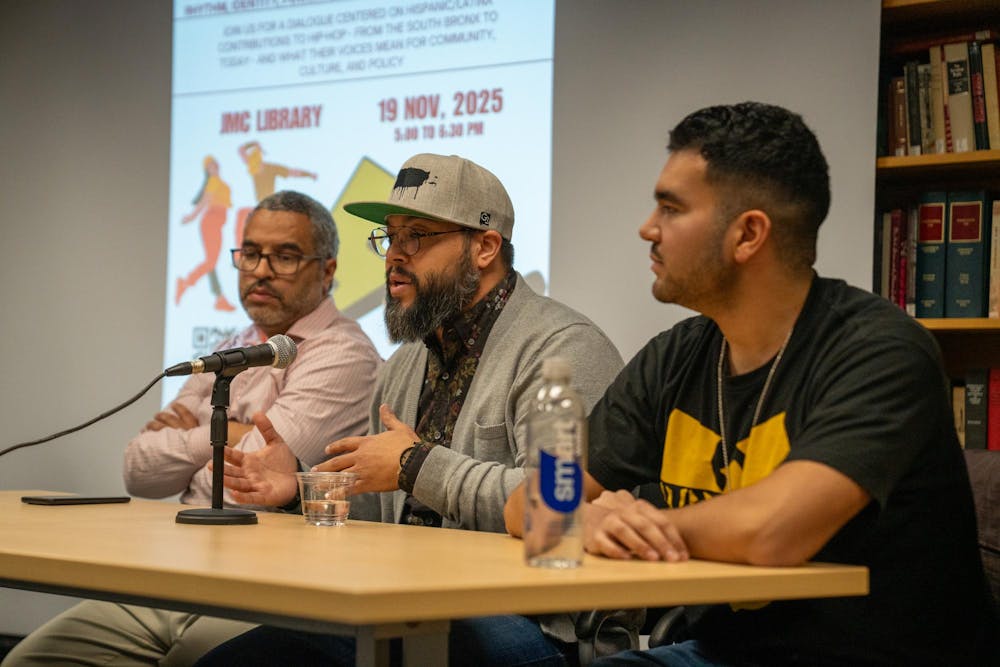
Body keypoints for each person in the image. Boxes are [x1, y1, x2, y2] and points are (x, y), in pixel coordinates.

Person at [503, 101, 997, 666]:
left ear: (748, 235)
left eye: (670, 207)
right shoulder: (676, 357)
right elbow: (527, 503)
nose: (648, 227)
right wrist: (586, 518)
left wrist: (636, 526)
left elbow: (773, 532)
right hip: (723, 652)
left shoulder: (881, 351)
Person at [194, 153, 624, 666]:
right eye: (389, 237)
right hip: (406, 602)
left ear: (485, 246)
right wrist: (301, 488)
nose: (394, 255)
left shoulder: (562, 351)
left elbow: (561, 510)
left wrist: (415, 464)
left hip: (533, 621)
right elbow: (381, 519)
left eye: (416, 236)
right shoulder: (404, 364)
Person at [2, 190, 382, 667]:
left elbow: (245, 482)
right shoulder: (231, 346)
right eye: (250, 254)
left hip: (270, 584)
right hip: (179, 569)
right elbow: (139, 470)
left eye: (284, 256)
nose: (261, 270)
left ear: (326, 270)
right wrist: (226, 433)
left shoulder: (341, 352)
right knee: (32, 660)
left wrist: (193, 433)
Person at [176, 155, 237, 311]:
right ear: (207, 170)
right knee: (211, 261)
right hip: (210, 222)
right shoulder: (213, 182)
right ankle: (185, 282)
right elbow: (205, 201)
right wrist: (191, 217)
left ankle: (219, 298)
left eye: (214, 163)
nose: (213, 166)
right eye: (209, 165)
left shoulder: (220, 183)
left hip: (217, 224)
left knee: (212, 262)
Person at [234, 140, 318, 247]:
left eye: (257, 153)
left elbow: (292, 172)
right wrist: (253, 143)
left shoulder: (271, 168)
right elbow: (241, 150)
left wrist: (308, 174)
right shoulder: (253, 166)